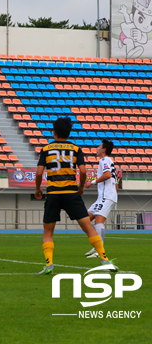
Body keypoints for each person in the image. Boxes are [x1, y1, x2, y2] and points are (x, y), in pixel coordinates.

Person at [35, 117, 118, 274]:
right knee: (88, 227)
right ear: (69, 132)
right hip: (71, 192)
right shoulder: (75, 149)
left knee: (48, 232)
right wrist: (80, 187)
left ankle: (49, 264)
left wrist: (38, 188)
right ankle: (104, 259)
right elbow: (84, 171)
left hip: (53, 192)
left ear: (54, 132)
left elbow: (39, 172)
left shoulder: (46, 149)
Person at [84, 140, 118, 258]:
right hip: (104, 197)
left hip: (106, 196)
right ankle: (97, 245)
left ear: (104, 150)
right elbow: (115, 182)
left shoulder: (104, 160)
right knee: (85, 220)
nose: (97, 148)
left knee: (98, 220)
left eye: (99, 146)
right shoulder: (110, 161)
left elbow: (107, 175)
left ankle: (100, 250)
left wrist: (91, 183)